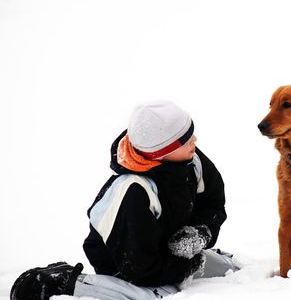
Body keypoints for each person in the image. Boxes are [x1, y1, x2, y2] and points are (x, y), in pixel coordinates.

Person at [11, 100, 240, 300]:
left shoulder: (192, 160)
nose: (195, 140)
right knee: (159, 295)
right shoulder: (134, 191)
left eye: (191, 132)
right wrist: (190, 264)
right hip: (127, 265)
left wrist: (202, 232)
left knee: (233, 270)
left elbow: (213, 203)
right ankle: (66, 282)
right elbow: (139, 269)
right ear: (161, 151)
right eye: (185, 139)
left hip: (166, 255)